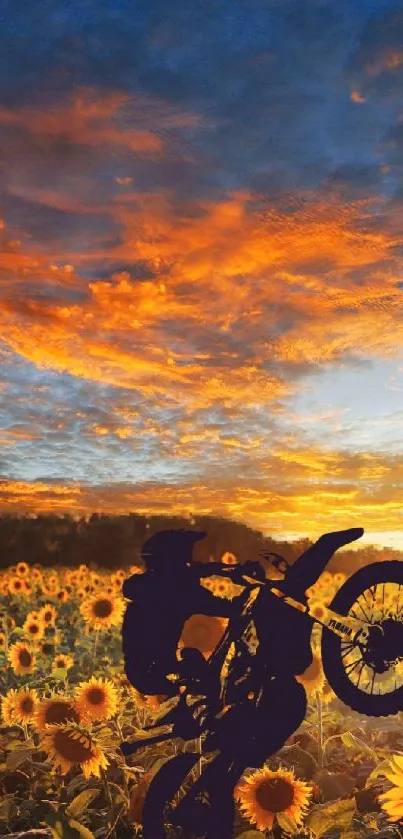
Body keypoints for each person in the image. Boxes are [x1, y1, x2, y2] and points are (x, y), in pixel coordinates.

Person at [121, 529, 263, 699]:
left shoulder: (146, 585)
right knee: (214, 686)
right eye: (185, 556)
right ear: (175, 559)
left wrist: (223, 569)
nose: (189, 561)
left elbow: (186, 574)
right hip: (157, 672)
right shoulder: (178, 591)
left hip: (142, 671)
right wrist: (255, 589)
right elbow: (230, 609)